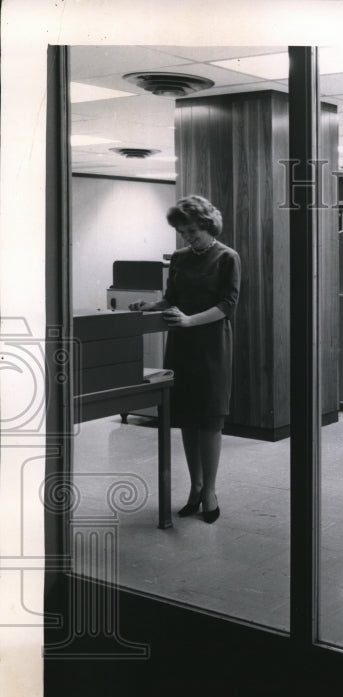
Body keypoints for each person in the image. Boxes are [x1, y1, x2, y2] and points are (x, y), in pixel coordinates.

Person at [129, 195, 241, 523]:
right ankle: (195, 487)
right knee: (188, 420)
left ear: (207, 225)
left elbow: (228, 305)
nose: (187, 238)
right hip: (181, 346)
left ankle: (210, 492)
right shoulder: (179, 258)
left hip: (211, 345)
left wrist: (190, 320)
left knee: (209, 420)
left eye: (191, 231)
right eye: (182, 233)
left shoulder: (227, 257)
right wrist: (151, 306)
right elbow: (171, 299)